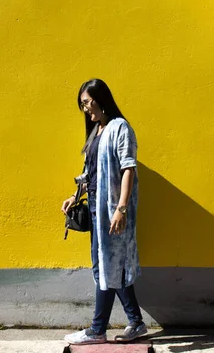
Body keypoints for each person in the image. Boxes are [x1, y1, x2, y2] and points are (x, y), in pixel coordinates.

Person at [61, 79, 147, 344]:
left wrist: (121, 209)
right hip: (97, 210)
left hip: (112, 211)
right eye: (82, 105)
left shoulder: (120, 128)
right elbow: (90, 174)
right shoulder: (95, 132)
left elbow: (128, 169)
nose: (85, 108)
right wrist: (74, 197)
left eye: (87, 102)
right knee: (110, 267)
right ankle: (136, 322)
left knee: (107, 267)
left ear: (100, 98)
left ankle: (97, 330)